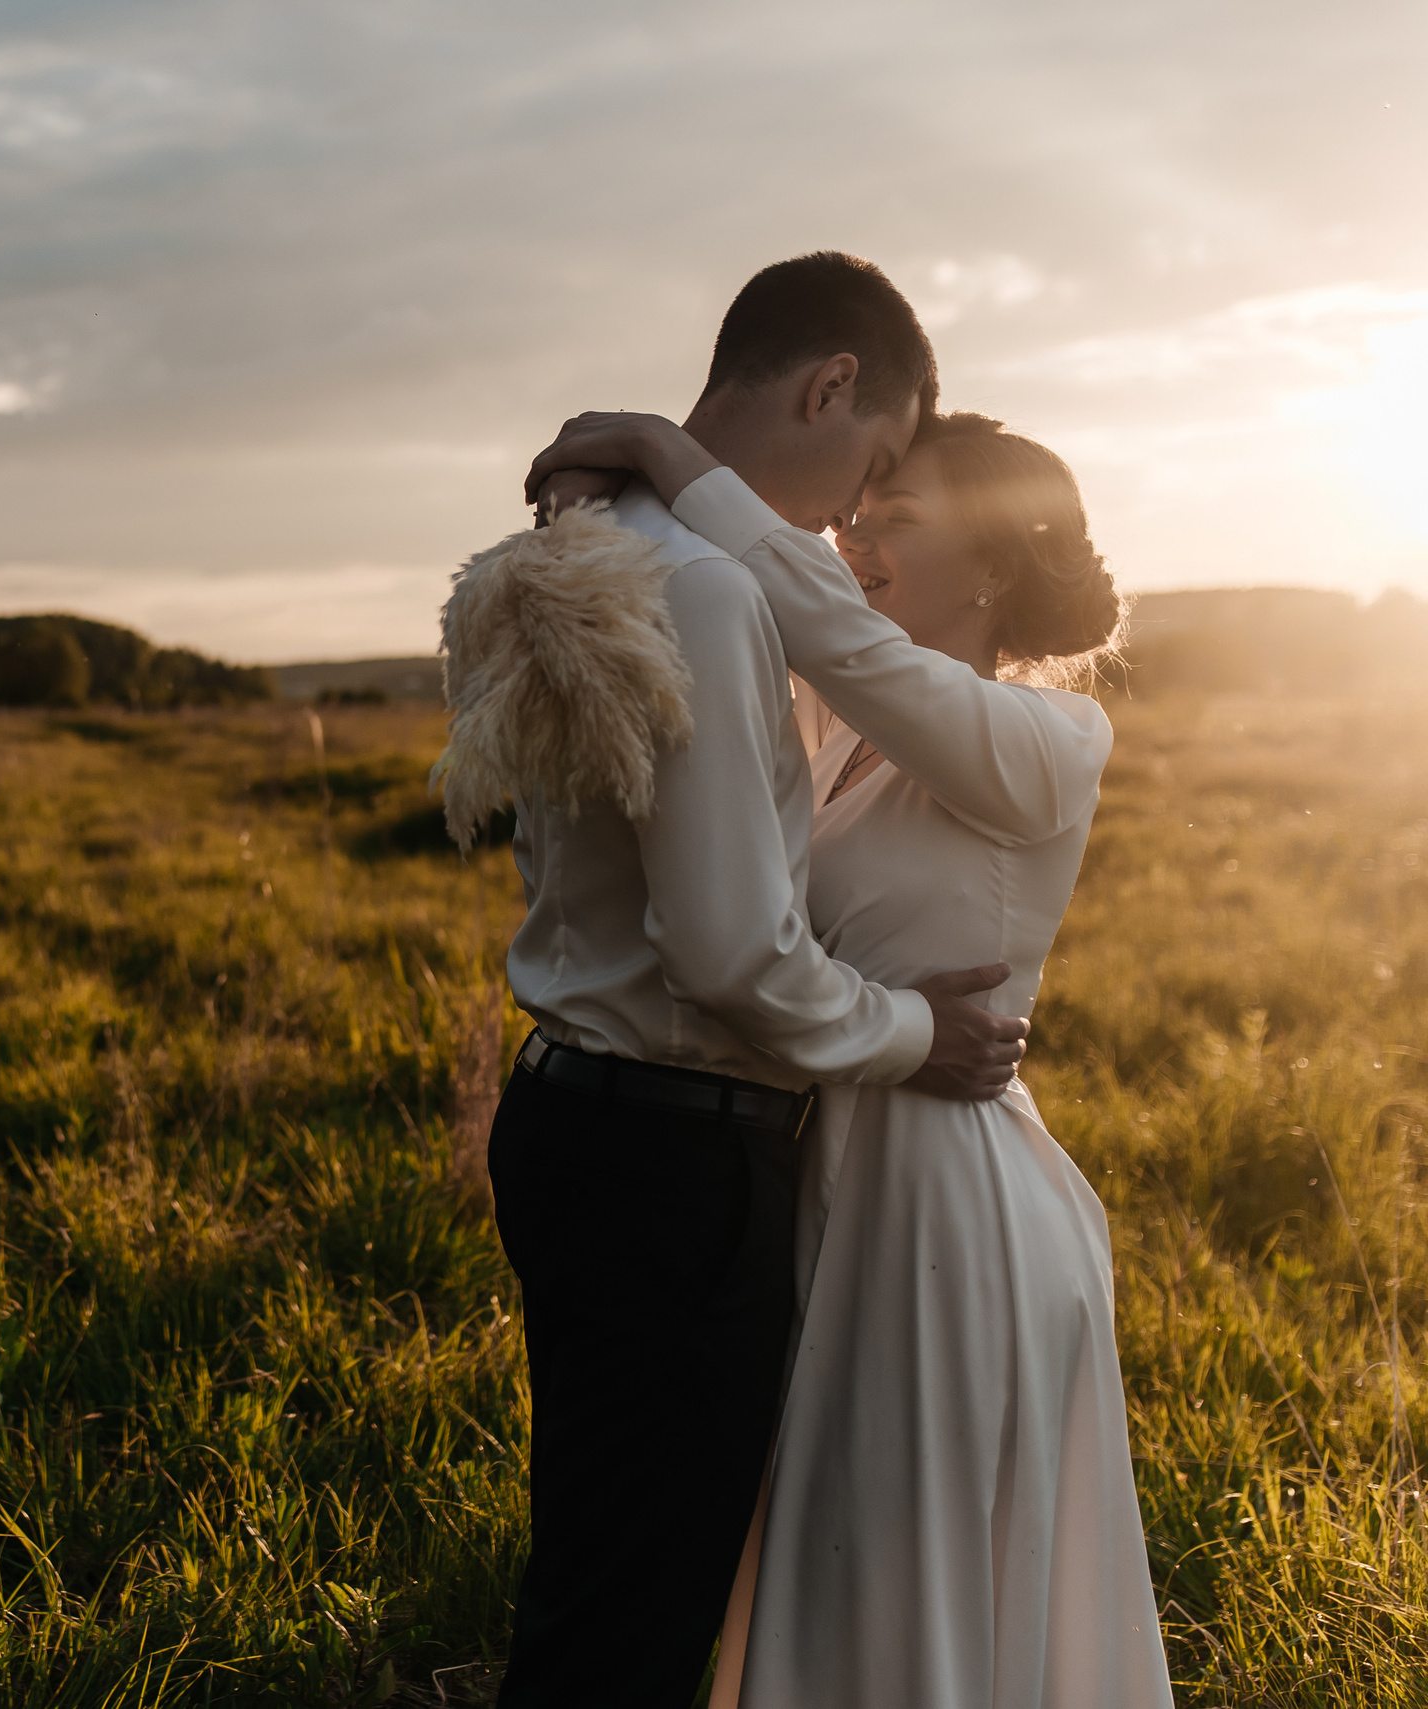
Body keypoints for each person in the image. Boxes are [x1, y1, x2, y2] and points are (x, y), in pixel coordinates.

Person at [451, 253, 1031, 1707]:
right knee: (633, 1628)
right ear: (832, 385)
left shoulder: (578, 548)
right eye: (875, 463)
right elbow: (728, 951)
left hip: (574, 1121)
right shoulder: (706, 592)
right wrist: (912, 1031)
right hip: (674, 1159)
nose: (853, 517)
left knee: (594, 1577)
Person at [525, 406, 1174, 1705]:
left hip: (945, 1196)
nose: (856, 542)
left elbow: (822, 624)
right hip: (825, 1169)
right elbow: (751, 632)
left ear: (991, 562)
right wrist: (598, 506)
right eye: (855, 520)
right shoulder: (837, 729)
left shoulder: (1049, 742)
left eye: (899, 523)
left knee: (907, 1571)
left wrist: (670, 450)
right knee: (834, 1563)